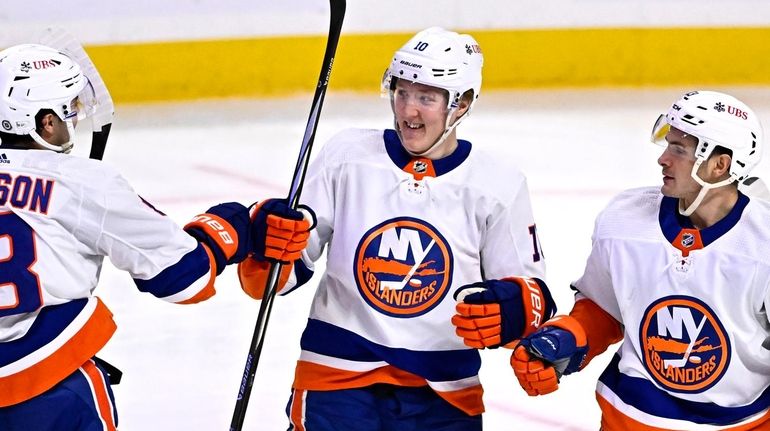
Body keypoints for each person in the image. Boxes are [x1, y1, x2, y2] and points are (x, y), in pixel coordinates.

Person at [236, 27, 556, 430]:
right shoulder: (348, 156)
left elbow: (530, 296)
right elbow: (276, 276)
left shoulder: (497, 184)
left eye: (426, 97)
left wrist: (509, 309)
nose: (408, 111)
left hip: (445, 390)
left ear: (463, 104)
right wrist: (269, 245)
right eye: (402, 92)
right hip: (336, 375)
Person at [0, 43, 313, 430]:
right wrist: (232, 227)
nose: (76, 119)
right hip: (50, 388)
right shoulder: (82, 183)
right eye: (69, 110)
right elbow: (183, 278)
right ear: (45, 122)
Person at [506, 90, 770, 430]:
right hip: (631, 419)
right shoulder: (625, 220)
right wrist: (567, 338)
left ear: (719, 165)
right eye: (668, 145)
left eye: (679, 149)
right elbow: (605, 308)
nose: (663, 159)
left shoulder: (761, 244)